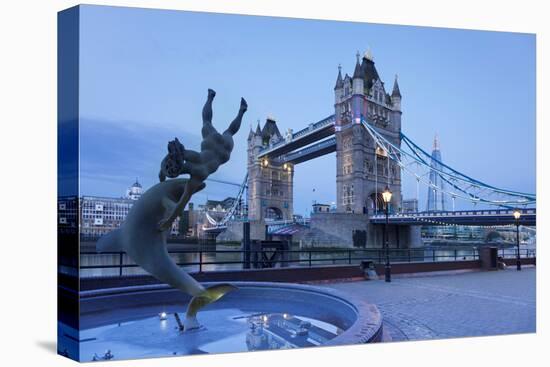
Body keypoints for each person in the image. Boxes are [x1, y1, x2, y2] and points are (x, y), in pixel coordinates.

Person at [158, 89, 247, 231]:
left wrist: (169, 221)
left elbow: (182, 202)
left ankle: (241, 111)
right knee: (209, 122)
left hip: (224, 154)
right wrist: (162, 172)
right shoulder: (190, 156)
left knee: (229, 132)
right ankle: (211, 98)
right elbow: (176, 154)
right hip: (213, 143)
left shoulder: (198, 176)